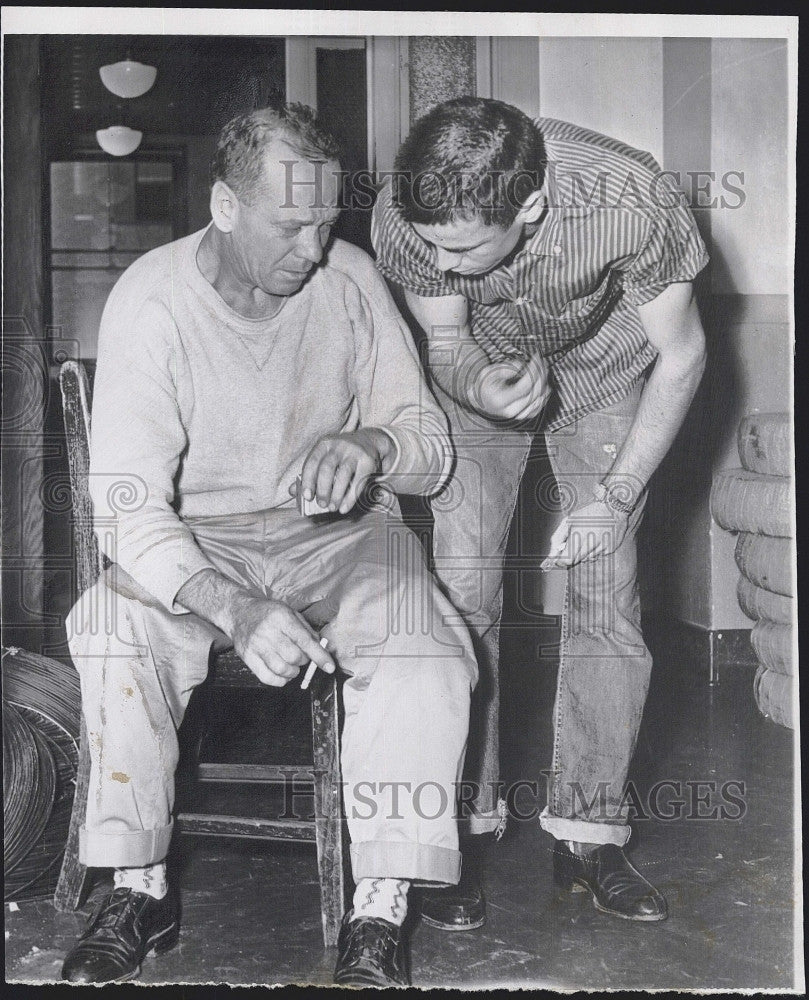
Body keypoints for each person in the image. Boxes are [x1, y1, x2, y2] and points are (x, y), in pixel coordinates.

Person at [60, 104, 478, 988]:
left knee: (425, 641)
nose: (313, 248)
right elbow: (126, 507)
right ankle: (136, 885)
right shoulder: (150, 300)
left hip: (334, 537)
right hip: (196, 541)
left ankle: (380, 903)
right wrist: (232, 604)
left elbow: (429, 452)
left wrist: (372, 447)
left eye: (327, 224)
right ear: (222, 205)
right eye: (290, 226)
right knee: (107, 624)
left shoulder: (352, 280)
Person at [371, 96, 708, 927]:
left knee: (606, 596)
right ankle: (461, 828)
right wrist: (475, 381)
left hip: (604, 379)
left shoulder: (631, 199)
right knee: (463, 593)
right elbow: (444, 338)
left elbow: (682, 352)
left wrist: (617, 495)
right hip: (482, 379)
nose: (442, 266)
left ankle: (588, 836)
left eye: (462, 248)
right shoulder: (403, 212)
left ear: (530, 207)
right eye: (431, 247)